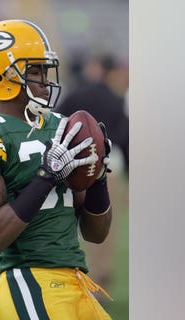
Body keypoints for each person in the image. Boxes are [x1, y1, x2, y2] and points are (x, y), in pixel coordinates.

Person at [0, 19, 115, 319]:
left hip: (76, 281)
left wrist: (97, 179)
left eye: (45, 71)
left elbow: (95, 233)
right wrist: (45, 177)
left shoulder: (61, 127)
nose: (45, 80)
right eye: (34, 71)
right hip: (30, 282)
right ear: (0, 75)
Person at [55, 53, 130, 300]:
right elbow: (127, 140)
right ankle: (101, 285)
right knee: (104, 230)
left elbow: (58, 127)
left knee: (73, 227)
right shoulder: (118, 100)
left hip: (75, 165)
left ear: (97, 67)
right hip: (112, 165)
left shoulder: (77, 95)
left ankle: (75, 285)